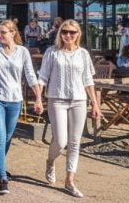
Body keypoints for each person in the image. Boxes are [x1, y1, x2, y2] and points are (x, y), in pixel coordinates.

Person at [0, 19, 43, 195]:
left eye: (3, 32)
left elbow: (30, 75)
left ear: (13, 33)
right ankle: (2, 177)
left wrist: (38, 98)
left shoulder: (23, 52)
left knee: (7, 137)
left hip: (15, 99)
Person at [38, 19, 101, 199]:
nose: (68, 35)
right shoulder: (52, 53)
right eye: (65, 31)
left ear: (78, 34)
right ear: (60, 33)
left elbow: (88, 81)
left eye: (72, 32)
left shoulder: (83, 54)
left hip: (79, 100)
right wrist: (38, 98)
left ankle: (69, 180)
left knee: (75, 142)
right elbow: (42, 77)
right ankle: (50, 161)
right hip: (56, 99)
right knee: (61, 140)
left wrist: (95, 103)